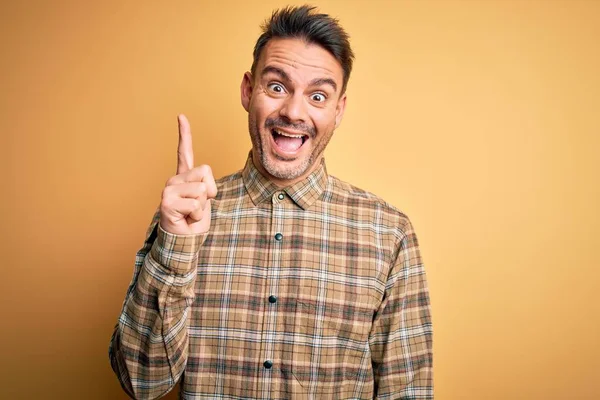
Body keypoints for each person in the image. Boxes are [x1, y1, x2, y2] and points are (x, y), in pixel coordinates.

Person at [109, 5, 433, 399]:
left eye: (317, 95)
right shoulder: (186, 214)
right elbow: (140, 382)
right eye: (277, 87)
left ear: (338, 110)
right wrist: (175, 246)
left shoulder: (389, 234)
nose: (293, 112)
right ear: (248, 91)